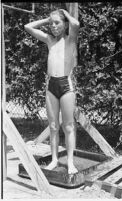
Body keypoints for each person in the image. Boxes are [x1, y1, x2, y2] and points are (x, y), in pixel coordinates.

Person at [24, 9, 80, 174]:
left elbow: (75, 24)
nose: (54, 26)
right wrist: (47, 19)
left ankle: (70, 163)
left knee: (68, 126)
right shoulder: (49, 40)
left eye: (57, 23)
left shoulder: (70, 39)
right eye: (52, 23)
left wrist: (63, 12)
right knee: (53, 125)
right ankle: (55, 160)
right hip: (51, 86)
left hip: (66, 85)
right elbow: (28, 26)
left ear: (64, 24)